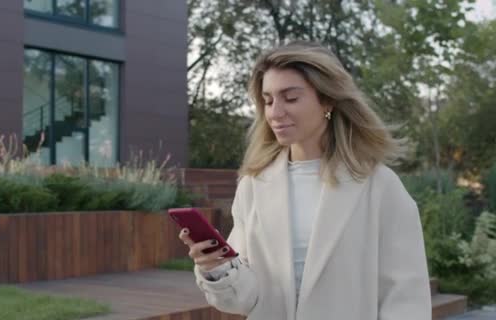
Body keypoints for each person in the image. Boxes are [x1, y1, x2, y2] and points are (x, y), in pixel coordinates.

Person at [178, 40, 431, 320]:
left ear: (328, 100)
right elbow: (245, 300)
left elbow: (406, 296)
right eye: (268, 100)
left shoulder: (380, 185)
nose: (275, 112)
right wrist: (217, 268)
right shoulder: (253, 185)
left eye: (291, 98)